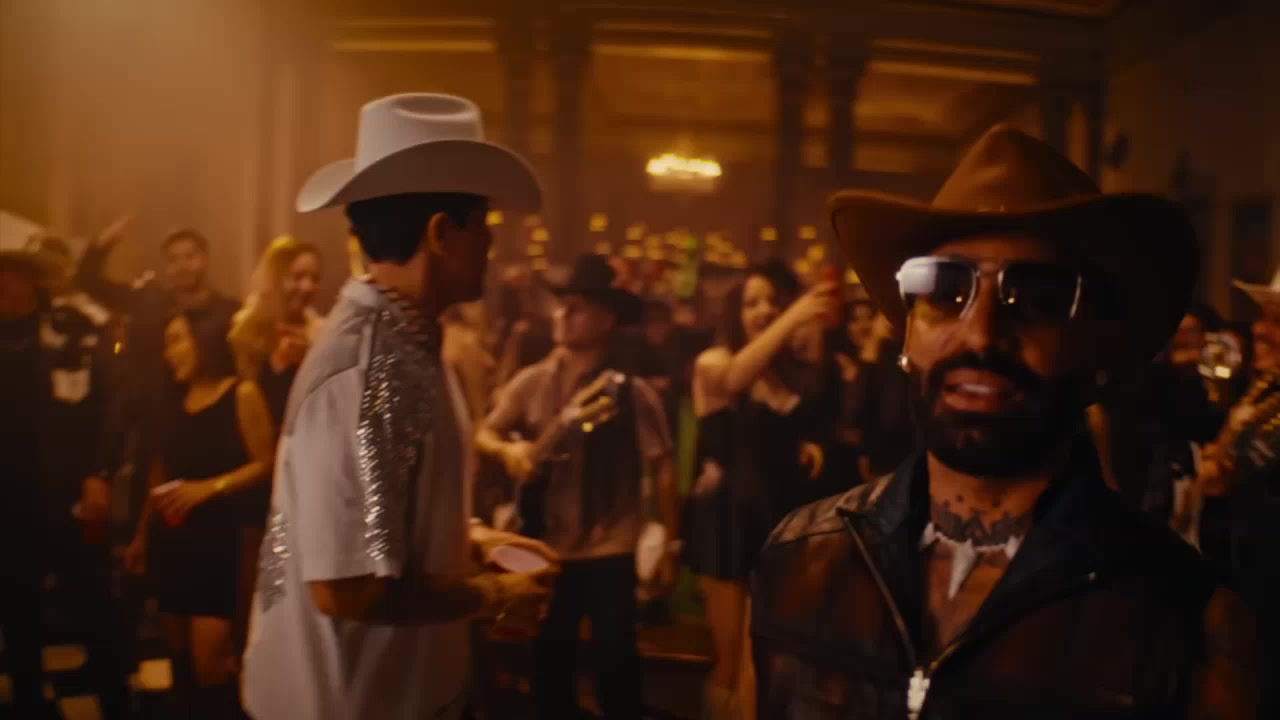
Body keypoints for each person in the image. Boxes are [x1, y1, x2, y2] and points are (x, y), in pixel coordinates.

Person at [751, 126, 1259, 719]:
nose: (981, 334)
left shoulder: (1187, 625)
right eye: (944, 288)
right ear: (908, 331)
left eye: (1039, 296)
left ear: (1097, 345)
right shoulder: (799, 561)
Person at [241, 92, 554, 720]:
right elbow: (346, 589)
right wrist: (492, 596)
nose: (491, 244)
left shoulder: (410, 339)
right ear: (441, 233)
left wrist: (467, 539)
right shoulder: (363, 370)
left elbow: (383, 518)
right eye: (482, 223)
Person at [475, 254, 679, 720]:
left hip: (610, 546)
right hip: (546, 547)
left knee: (616, 665)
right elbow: (484, 432)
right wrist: (506, 451)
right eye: (561, 304)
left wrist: (668, 542)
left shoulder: (630, 392)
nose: (562, 314)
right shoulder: (532, 381)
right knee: (550, 665)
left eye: (578, 307)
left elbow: (663, 467)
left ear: (607, 319)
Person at [682, 260, 837, 719]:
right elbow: (732, 382)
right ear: (735, 312)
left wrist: (804, 445)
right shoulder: (714, 360)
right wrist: (795, 315)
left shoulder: (782, 373)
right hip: (728, 523)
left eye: (772, 301)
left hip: (776, 519)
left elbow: (793, 420)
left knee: (764, 658)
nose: (764, 310)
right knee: (729, 661)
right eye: (752, 303)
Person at [119, 309, 272, 718]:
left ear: (204, 341)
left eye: (177, 341)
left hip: (217, 544)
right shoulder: (173, 400)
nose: (168, 353)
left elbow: (267, 461)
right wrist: (141, 537)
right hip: (172, 541)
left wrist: (208, 488)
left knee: (212, 665)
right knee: (179, 661)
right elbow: (159, 472)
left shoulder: (240, 393)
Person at [229, 235, 325, 425]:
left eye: (314, 278)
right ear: (274, 279)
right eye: (297, 277)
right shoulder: (243, 331)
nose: (308, 287)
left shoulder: (322, 335)